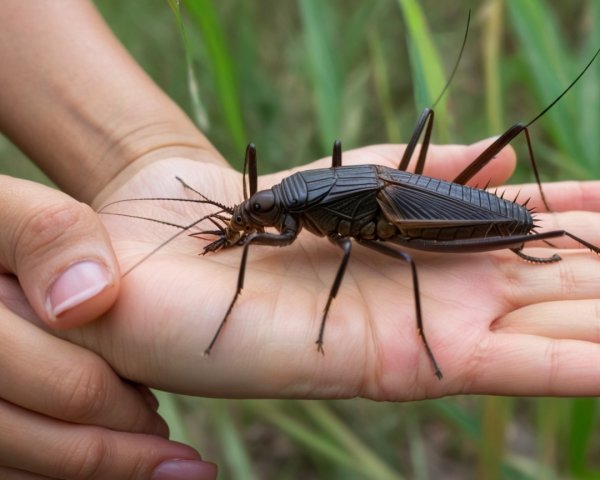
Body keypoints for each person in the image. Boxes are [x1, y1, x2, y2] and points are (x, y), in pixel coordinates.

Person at [1, 1, 600, 479]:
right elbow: (266, 221)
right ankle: (521, 235)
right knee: (375, 229)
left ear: (282, 205)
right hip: (387, 200)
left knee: (401, 254)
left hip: (415, 218)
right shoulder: (285, 202)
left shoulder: (303, 209)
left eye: (259, 212)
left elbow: (330, 241)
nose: (258, 220)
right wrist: (154, 172)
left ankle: (520, 237)